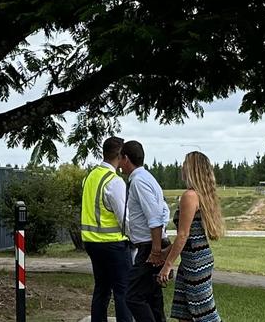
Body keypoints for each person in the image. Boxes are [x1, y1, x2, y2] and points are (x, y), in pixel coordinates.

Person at [158, 151, 225, 322]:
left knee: (204, 314)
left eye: (185, 163)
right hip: (194, 260)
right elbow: (189, 236)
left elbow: (183, 235)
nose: (181, 167)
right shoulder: (200, 195)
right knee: (184, 313)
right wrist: (165, 253)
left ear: (193, 169)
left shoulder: (189, 196)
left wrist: (167, 265)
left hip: (195, 263)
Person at [81, 136, 132, 322]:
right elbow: (123, 218)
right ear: (120, 155)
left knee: (101, 288)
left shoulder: (90, 177)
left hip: (91, 242)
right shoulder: (114, 181)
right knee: (123, 290)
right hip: (113, 244)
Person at [120, 140, 170, 322]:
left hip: (150, 247)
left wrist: (156, 251)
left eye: (120, 158)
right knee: (152, 297)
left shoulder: (139, 181)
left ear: (125, 158)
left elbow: (155, 217)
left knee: (132, 296)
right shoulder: (148, 178)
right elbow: (164, 210)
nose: (119, 163)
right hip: (153, 243)